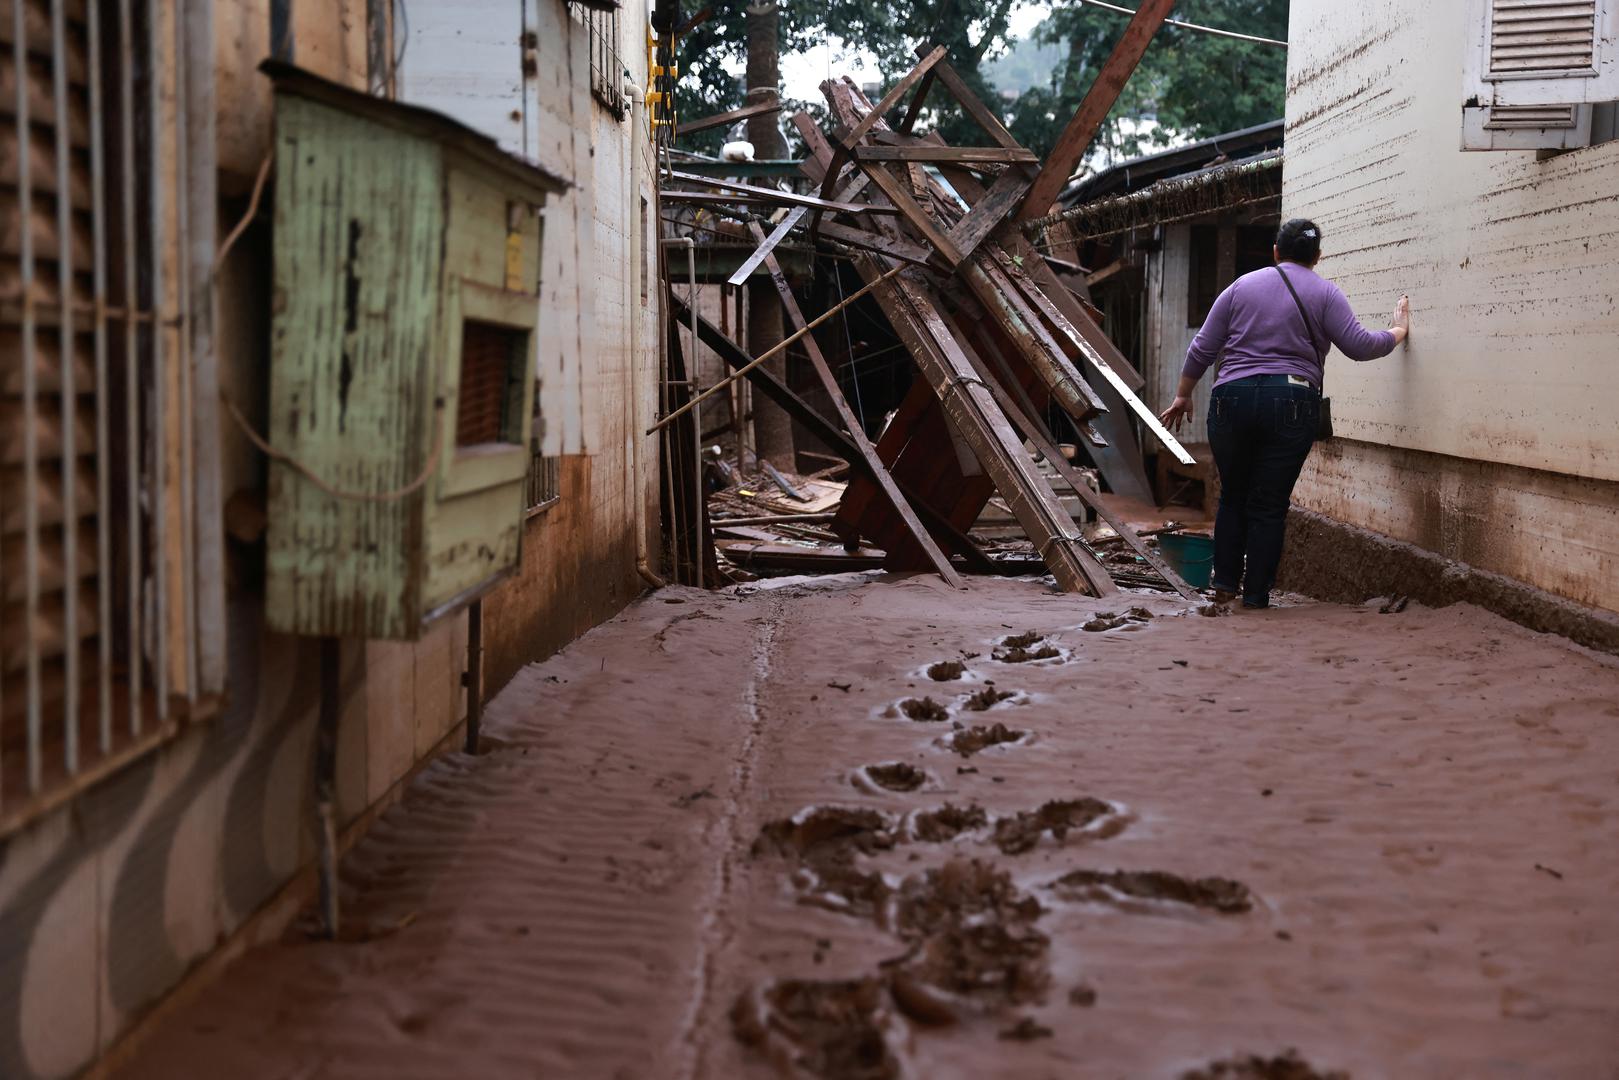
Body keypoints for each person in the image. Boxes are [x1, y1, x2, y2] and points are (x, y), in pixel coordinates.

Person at [1158, 218, 1410, 609]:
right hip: (1291, 400)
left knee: (1233, 497)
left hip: (1231, 399)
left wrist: (1183, 395)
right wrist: (1397, 332)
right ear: (1318, 257)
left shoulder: (1241, 287)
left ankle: (1224, 584)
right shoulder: (1326, 293)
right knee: (1269, 505)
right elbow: (1360, 346)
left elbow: (1201, 348)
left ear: (1275, 251)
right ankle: (1256, 597)